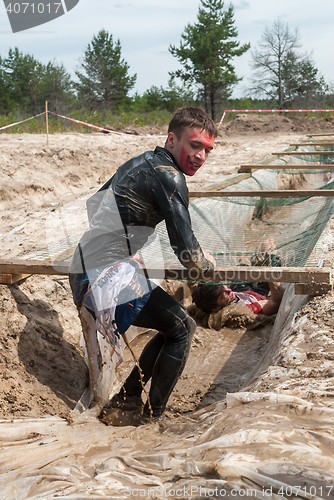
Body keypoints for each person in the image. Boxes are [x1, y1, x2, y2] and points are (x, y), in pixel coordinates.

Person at [69, 106, 218, 422]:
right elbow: (188, 254)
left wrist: (123, 247)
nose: (201, 156)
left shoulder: (139, 163)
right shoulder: (170, 177)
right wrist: (206, 264)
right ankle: (149, 416)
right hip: (99, 277)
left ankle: (129, 398)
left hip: (84, 266)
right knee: (182, 326)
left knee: (172, 326)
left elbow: (93, 205)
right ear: (171, 139)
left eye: (207, 150)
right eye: (195, 145)